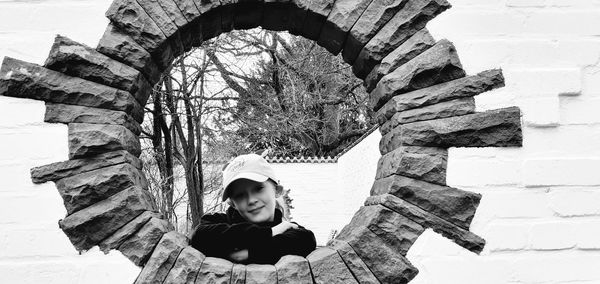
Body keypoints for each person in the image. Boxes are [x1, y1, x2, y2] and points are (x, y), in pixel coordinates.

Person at [189, 153, 316, 264]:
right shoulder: (215, 222)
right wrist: (270, 232)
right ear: (232, 203)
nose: (251, 200)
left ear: (277, 191)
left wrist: (248, 254)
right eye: (240, 195)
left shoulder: (290, 230)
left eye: (258, 189)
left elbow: (306, 240)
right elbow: (201, 237)